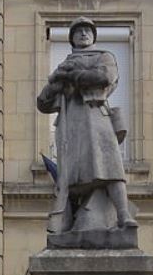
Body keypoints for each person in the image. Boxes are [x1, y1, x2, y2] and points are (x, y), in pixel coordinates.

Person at [37, 16, 138, 234]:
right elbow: (43, 103)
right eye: (78, 31)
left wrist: (74, 75)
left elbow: (104, 77)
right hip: (71, 126)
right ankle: (71, 222)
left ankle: (123, 214)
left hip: (97, 119)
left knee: (111, 167)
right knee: (73, 179)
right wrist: (56, 81)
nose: (83, 34)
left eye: (87, 30)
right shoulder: (63, 65)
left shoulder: (104, 57)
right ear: (72, 38)